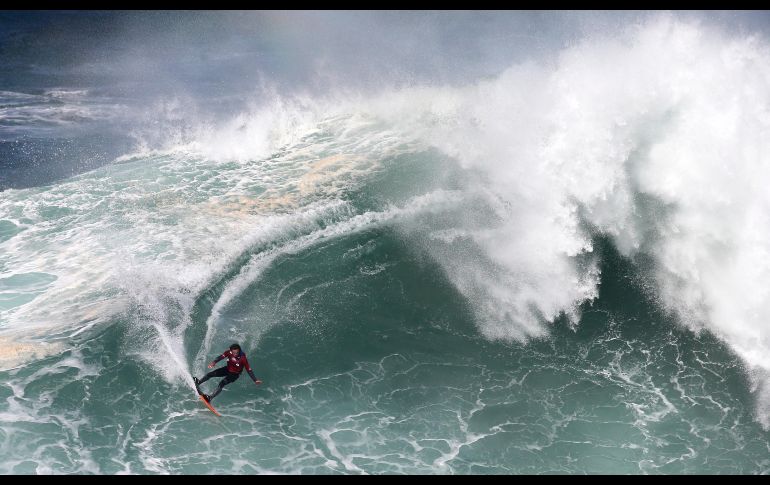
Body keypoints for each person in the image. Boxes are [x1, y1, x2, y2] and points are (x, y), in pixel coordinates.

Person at [194, 343, 261, 402]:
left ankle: (210, 398)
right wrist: (214, 362)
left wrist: (255, 380)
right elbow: (221, 357)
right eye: (233, 353)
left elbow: (249, 369)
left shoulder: (243, 358)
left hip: (234, 374)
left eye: (237, 353)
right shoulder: (228, 352)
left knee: (221, 383)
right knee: (210, 374)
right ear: (231, 351)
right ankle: (199, 382)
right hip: (227, 369)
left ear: (239, 350)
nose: (235, 354)